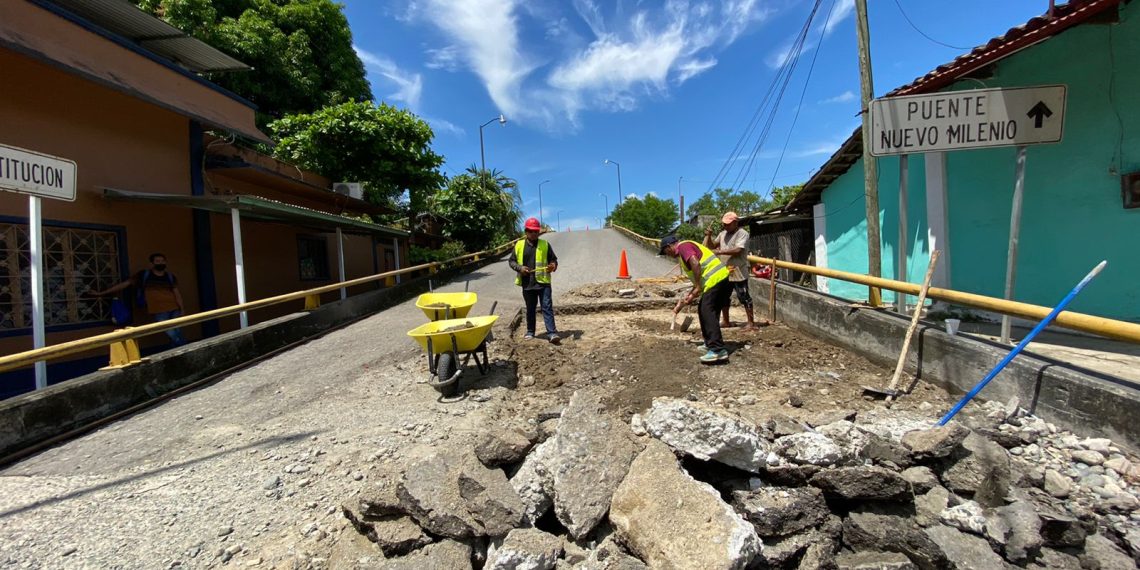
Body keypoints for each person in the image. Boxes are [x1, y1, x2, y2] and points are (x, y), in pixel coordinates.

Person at [661, 235, 733, 363]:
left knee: (707, 311)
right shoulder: (683, 252)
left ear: (669, 247)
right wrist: (691, 295)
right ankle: (710, 343)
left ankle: (717, 350)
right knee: (705, 310)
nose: (667, 255)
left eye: (665, 252)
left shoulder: (683, 247)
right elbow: (697, 277)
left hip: (715, 280)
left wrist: (698, 287)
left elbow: (695, 263)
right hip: (719, 280)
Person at [89, 253, 186, 346]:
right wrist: (102, 293)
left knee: (177, 331)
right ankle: (183, 347)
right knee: (170, 331)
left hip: (174, 307)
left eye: (162, 261)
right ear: (152, 263)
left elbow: (177, 293)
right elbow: (125, 284)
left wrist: (181, 308)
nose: (160, 263)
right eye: (157, 261)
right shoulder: (144, 275)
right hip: (158, 310)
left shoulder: (170, 277)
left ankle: (179, 351)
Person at [704, 211, 760, 331]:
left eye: (728, 224)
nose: (725, 226)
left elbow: (738, 250)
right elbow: (712, 246)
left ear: (735, 223)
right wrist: (708, 236)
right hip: (725, 271)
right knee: (724, 297)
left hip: (738, 271)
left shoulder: (742, 233)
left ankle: (751, 323)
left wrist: (720, 252)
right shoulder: (723, 234)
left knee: (744, 296)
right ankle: (726, 321)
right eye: (724, 224)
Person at [508, 218, 561, 344]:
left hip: (543, 283)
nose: (533, 234)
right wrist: (520, 268)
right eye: (531, 231)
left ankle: (552, 333)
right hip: (527, 283)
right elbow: (511, 261)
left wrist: (553, 266)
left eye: (536, 231)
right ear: (526, 232)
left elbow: (553, 260)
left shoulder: (545, 245)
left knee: (547, 307)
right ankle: (530, 331)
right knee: (530, 308)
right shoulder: (519, 245)